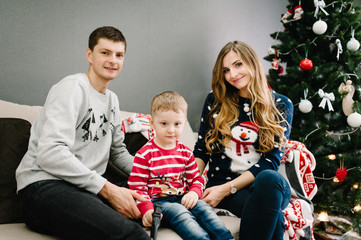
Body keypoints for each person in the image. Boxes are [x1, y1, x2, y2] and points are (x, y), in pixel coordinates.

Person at [15, 26, 150, 240]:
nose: (113, 60)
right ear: (89, 55)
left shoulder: (112, 100)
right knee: (131, 235)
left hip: (86, 188)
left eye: (119, 55)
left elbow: (118, 153)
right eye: (105, 53)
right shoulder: (71, 88)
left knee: (165, 204)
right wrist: (108, 189)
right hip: (44, 187)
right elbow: (50, 153)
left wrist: (155, 172)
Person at [193, 41, 294, 240]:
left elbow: (270, 162)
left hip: (264, 187)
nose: (232, 74)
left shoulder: (281, 104)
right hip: (225, 187)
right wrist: (190, 184)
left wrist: (225, 190)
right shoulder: (215, 100)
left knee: (269, 178)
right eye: (226, 70)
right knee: (274, 222)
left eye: (238, 65)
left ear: (252, 63)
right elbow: (202, 150)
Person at [128, 91, 234, 240]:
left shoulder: (185, 153)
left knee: (203, 208)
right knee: (180, 212)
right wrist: (147, 210)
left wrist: (193, 193)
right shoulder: (145, 154)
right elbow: (137, 187)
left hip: (182, 197)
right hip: (159, 203)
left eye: (177, 124)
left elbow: (196, 179)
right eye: (164, 124)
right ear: (152, 124)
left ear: (183, 123)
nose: (171, 130)